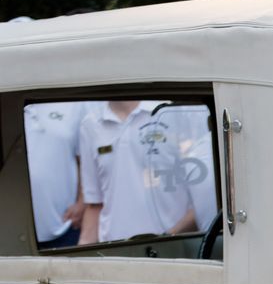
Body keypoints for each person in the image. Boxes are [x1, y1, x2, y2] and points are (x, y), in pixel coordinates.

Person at [76, 100, 216, 244]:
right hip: (114, 254)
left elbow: (207, 198)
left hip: (176, 249)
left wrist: (167, 238)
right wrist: (80, 259)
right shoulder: (90, 123)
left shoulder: (174, 112)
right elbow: (95, 205)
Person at [24, 101, 88, 248]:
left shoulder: (74, 104)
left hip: (64, 227)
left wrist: (82, 202)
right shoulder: (6, 100)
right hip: (10, 229)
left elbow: (85, 159)